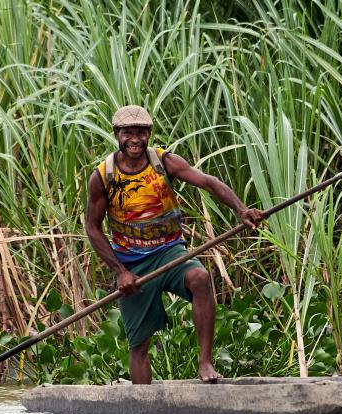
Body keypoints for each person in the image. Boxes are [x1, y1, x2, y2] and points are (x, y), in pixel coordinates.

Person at [85, 105, 263, 383]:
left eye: (141, 133)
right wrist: (120, 271)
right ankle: (145, 412)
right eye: (128, 133)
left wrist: (241, 210)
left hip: (170, 252)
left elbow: (208, 182)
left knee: (200, 277)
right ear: (116, 134)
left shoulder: (162, 162)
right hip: (132, 264)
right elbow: (92, 228)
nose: (135, 139)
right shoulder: (103, 175)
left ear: (149, 134)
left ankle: (205, 363)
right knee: (140, 344)